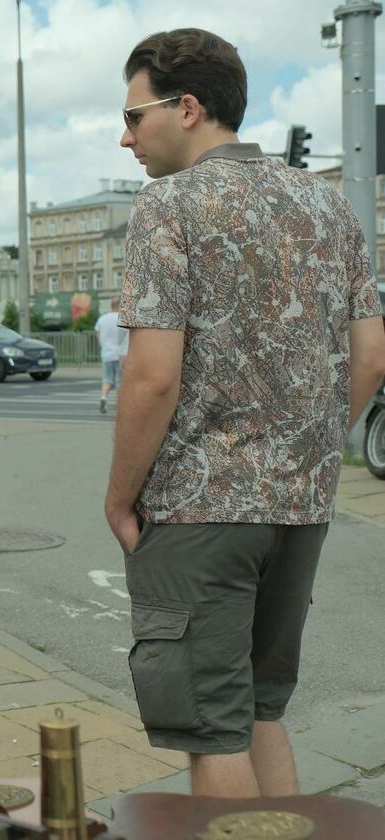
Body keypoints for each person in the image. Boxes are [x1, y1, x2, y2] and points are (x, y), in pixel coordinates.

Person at [105, 28, 385, 798]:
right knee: (262, 713)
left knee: (210, 728)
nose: (126, 136)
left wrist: (121, 496)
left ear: (187, 107)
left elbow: (152, 378)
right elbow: (372, 359)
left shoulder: (169, 207)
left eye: (135, 117)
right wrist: (307, 446)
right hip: (300, 507)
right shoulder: (328, 205)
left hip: (200, 512)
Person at [94, 296, 128, 413]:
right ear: (121, 305)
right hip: (121, 354)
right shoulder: (122, 319)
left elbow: (97, 333)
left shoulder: (102, 319)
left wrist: (103, 346)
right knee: (120, 381)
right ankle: (120, 406)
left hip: (106, 353)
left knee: (107, 379)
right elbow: (126, 337)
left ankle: (103, 397)